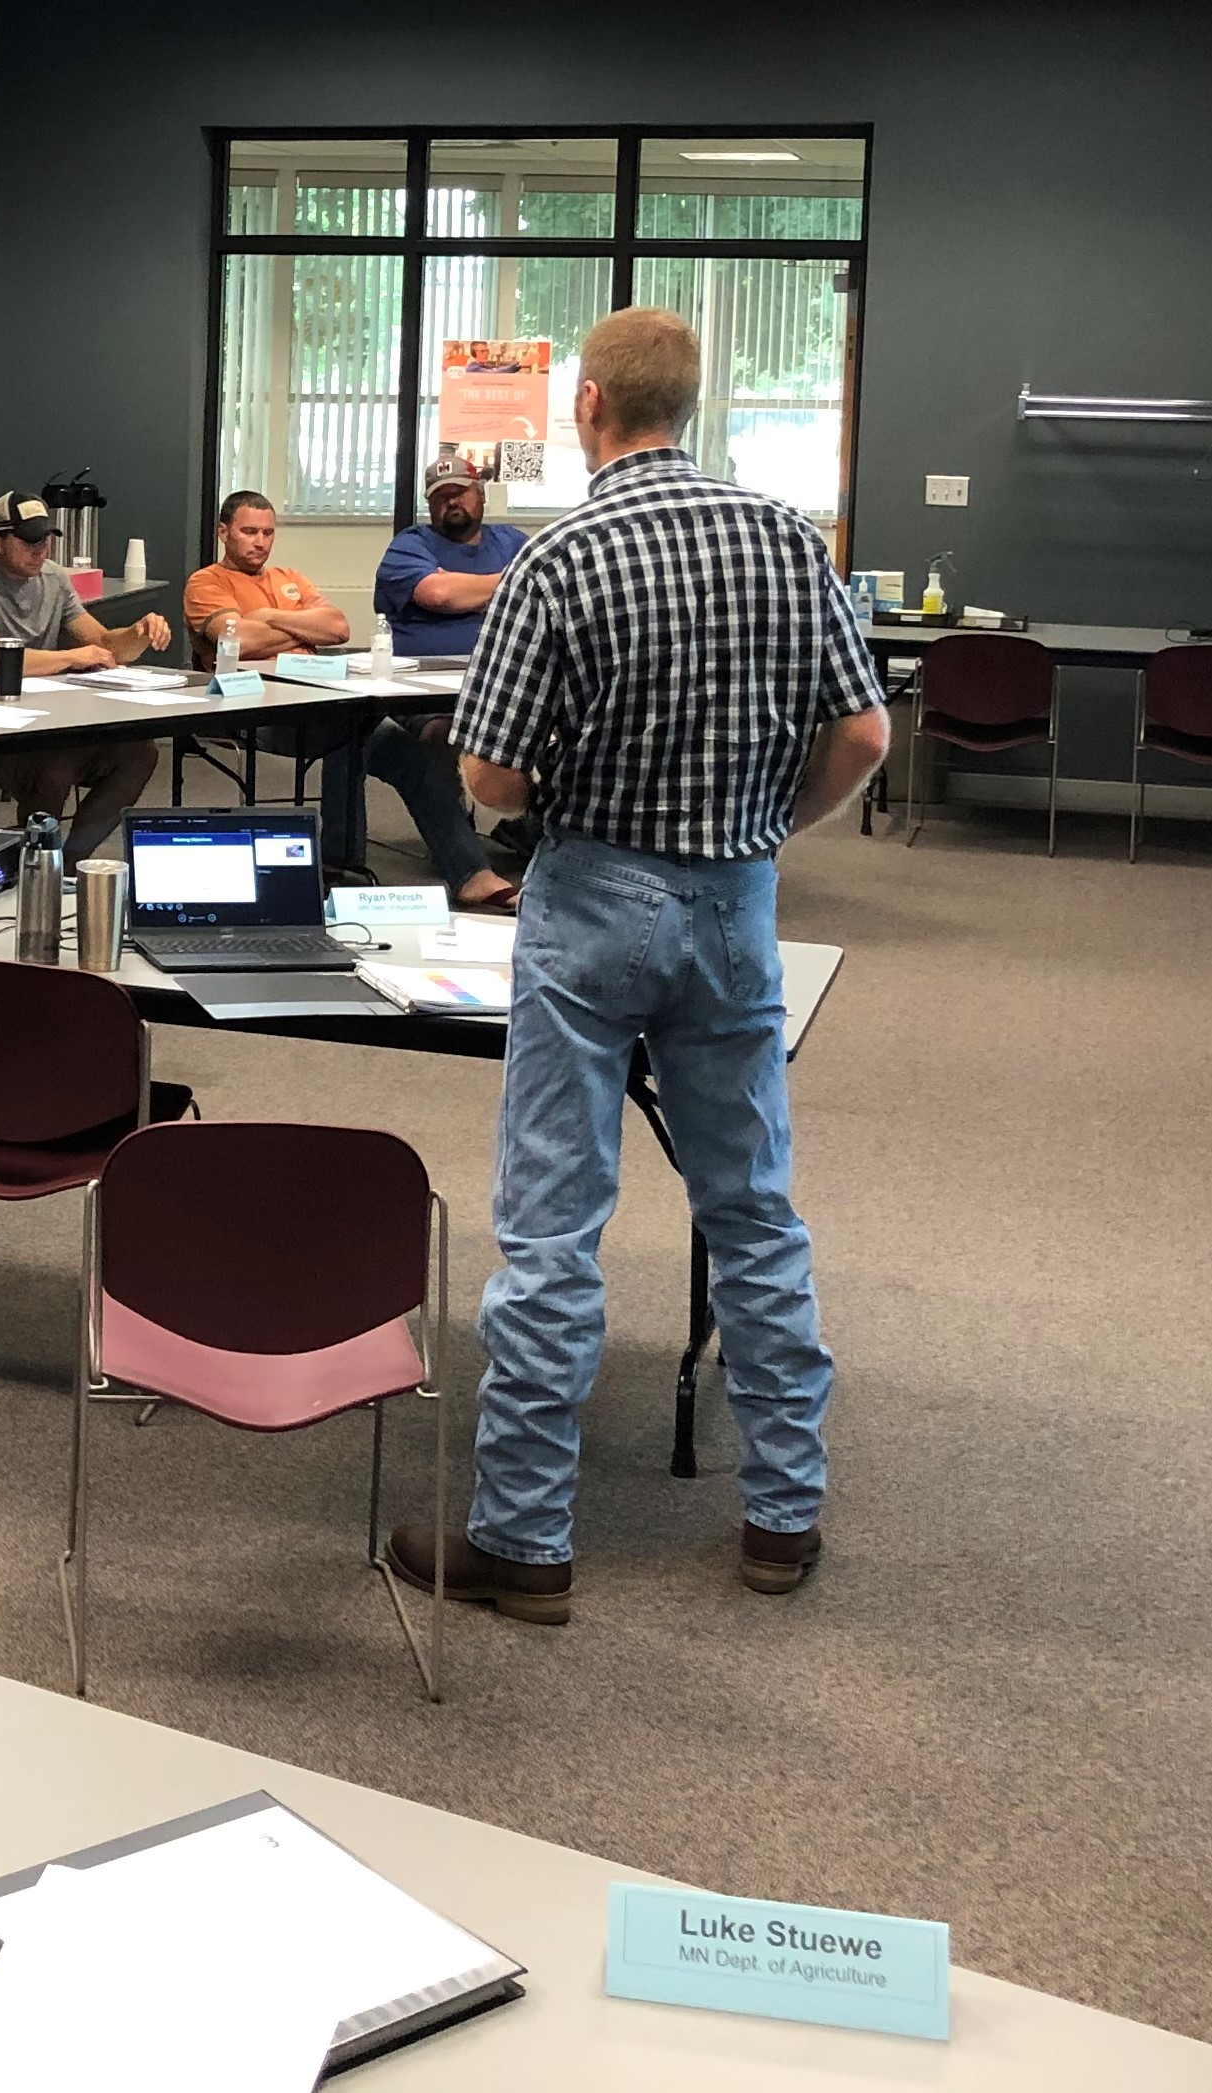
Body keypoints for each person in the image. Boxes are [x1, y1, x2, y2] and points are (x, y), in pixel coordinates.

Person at [395, 307, 889, 1624]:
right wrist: (772, 828)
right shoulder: (789, 541)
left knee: (553, 1224)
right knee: (753, 1208)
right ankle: (783, 1515)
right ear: (694, 402)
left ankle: (525, 1541)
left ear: (592, 405)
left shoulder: (560, 558)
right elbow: (866, 734)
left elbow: (490, 772)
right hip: (735, 906)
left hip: (593, 900)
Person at [188, 491, 513, 910]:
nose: (260, 542)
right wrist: (302, 629)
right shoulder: (206, 583)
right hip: (250, 709)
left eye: (268, 532)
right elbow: (238, 639)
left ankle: (470, 874)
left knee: (405, 753)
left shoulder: (288, 577)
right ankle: (340, 865)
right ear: (223, 533)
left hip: (313, 700)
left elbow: (337, 627)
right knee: (349, 729)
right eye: (249, 532)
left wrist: (267, 618)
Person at [0, 491, 174, 864]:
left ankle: (71, 863)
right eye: (29, 541)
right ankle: (38, 864)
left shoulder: (54, 578)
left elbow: (105, 645)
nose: (40, 550)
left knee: (139, 753)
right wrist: (72, 659)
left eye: (45, 539)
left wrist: (138, 633)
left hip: (46, 717)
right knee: (52, 765)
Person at [375, 454, 531, 657]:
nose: (452, 502)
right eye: (440, 497)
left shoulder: (511, 542)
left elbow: (543, 591)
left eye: (460, 492)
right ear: (430, 505)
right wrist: (512, 585)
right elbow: (439, 595)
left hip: (501, 674)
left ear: (481, 494)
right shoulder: (409, 545)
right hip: (421, 676)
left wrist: (464, 589)